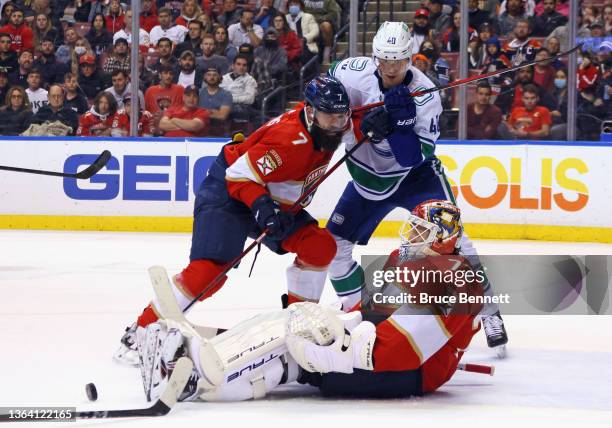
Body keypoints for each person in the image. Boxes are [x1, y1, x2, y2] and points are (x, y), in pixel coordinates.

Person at [136, 200, 484, 402]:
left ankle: (199, 382)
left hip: (414, 372)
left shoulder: (456, 280)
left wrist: (330, 353)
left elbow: (400, 353)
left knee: (291, 359)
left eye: (421, 233)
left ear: (444, 239)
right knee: (292, 325)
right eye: (412, 228)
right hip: (391, 347)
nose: (410, 238)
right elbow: (374, 310)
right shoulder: (405, 258)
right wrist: (337, 324)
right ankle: (204, 359)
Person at [114, 76, 354, 366]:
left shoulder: (329, 123)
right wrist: (263, 208)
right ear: (312, 112)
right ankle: (139, 334)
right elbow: (238, 176)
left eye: (343, 117)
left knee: (319, 246)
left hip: (271, 197)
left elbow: (362, 115)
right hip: (229, 191)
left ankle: (299, 328)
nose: (338, 124)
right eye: (332, 117)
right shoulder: (288, 141)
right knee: (207, 274)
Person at [327, 21, 508, 352]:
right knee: (332, 246)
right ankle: (357, 312)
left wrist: (398, 126)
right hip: (368, 177)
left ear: (410, 57)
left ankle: (489, 311)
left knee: (457, 242)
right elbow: (327, 81)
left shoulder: (426, 97)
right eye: (384, 60)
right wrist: (351, 117)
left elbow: (413, 156)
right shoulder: (354, 72)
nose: (391, 68)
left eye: (398, 60)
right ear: (374, 57)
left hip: (417, 178)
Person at [219, 54, 257, 120]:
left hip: (241, 107)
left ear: (247, 68)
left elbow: (250, 99)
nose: (241, 67)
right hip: (222, 105)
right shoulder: (224, 78)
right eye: (238, 64)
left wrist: (229, 99)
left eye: (244, 65)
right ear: (233, 66)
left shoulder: (250, 80)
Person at [198, 66, 232, 136]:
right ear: (205, 77)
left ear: (219, 77)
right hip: (200, 127)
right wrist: (213, 112)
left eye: (215, 75)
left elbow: (222, 115)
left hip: (220, 129)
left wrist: (201, 112)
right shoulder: (198, 92)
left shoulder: (226, 94)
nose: (212, 77)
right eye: (209, 75)